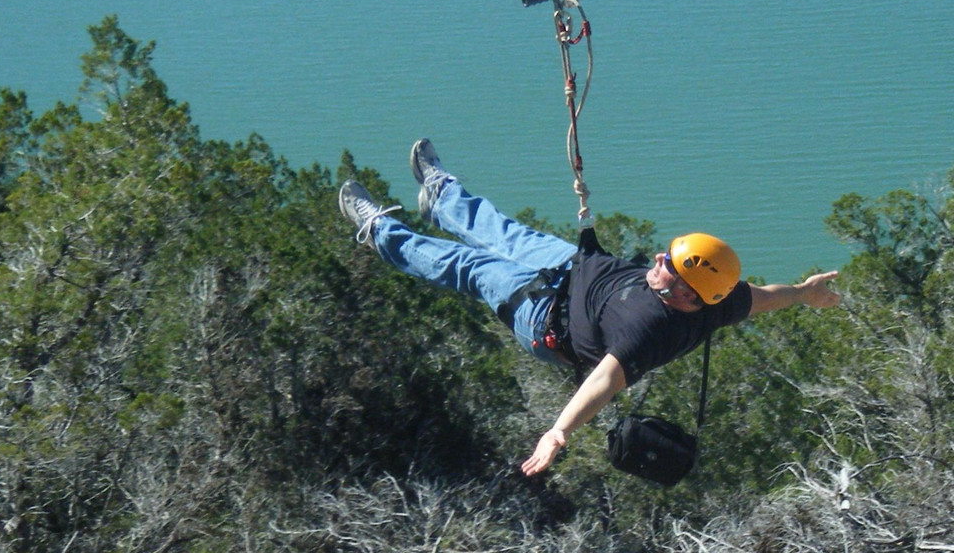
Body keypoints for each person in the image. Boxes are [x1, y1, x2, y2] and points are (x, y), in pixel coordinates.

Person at [338, 139, 841, 476]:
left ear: (686, 296)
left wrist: (559, 432)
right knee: (503, 231)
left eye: (669, 265)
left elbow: (602, 382)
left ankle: (382, 233)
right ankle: (441, 195)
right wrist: (804, 292)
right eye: (667, 253)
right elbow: (763, 298)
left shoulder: (650, 331)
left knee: (471, 266)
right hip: (575, 270)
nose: (659, 260)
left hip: (544, 318)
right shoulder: (719, 297)